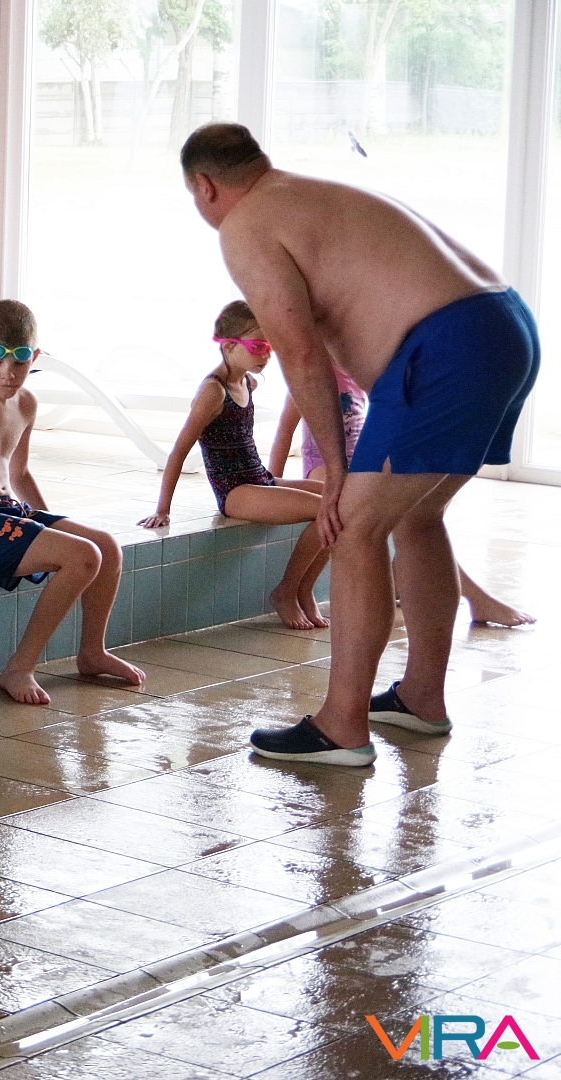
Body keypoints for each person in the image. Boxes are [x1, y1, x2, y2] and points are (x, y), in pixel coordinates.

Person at [182, 122, 540, 766]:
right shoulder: (306, 193)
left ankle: (341, 727)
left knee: (352, 527)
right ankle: (421, 698)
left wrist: (336, 472)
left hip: (445, 346)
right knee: (418, 516)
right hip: (503, 325)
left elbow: (299, 353)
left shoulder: (245, 225)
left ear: (205, 186)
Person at [0, 299, 146, 704]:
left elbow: (18, 474)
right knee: (83, 557)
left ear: (34, 358)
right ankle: (19, 668)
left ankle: (93, 652)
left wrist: (46, 524)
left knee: (105, 546)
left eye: (19, 361)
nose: (8, 372)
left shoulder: (26, 404)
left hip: (7, 512)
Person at [269, 376, 535, 629]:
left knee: (415, 507)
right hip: (323, 469)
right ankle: (290, 588)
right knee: (352, 512)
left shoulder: (358, 373)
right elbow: (284, 432)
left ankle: (418, 580)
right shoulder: (309, 378)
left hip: (358, 468)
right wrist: (272, 481)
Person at [136, 301, 330, 631]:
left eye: (270, 346)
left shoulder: (248, 383)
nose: (266, 355)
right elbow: (179, 451)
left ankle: (304, 589)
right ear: (228, 346)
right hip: (235, 491)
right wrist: (163, 509)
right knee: (326, 510)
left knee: (340, 502)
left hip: (259, 478)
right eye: (257, 346)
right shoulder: (213, 392)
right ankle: (287, 591)